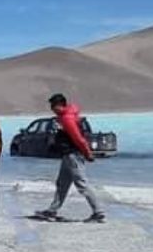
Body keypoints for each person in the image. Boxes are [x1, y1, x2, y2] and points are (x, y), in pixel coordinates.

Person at [36, 94, 105, 223]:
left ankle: (98, 212)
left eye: (53, 106)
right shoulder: (66, 116)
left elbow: (78, 139)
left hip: (73, 155)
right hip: (67, 156)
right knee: (62, 183)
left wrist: (87, 153)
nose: (52, 109)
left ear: (59, 105)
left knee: (82, 184)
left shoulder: (67, 118)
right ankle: (52, 210)